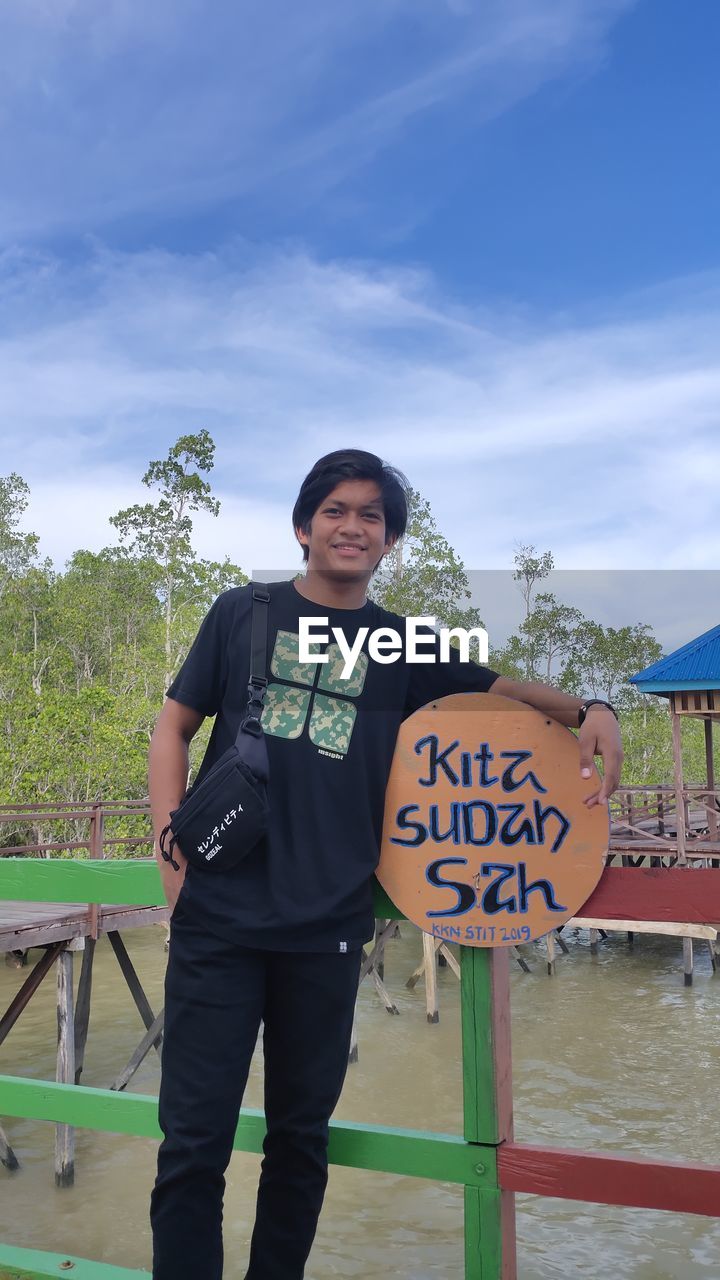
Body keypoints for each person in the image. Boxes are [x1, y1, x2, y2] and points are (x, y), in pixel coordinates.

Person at [148, 448, 622, 1279]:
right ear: (304, 526)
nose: (353, 526)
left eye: (372, 515)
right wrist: (167, 852)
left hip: (329, 926)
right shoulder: (243, 614)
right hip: (219, 918)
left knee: (300, 1142)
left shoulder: (404, 646)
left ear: (391, 540)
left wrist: (592, 706)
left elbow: (500, 687)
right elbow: (173, 727)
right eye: (335, 510)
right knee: (193, 1143)